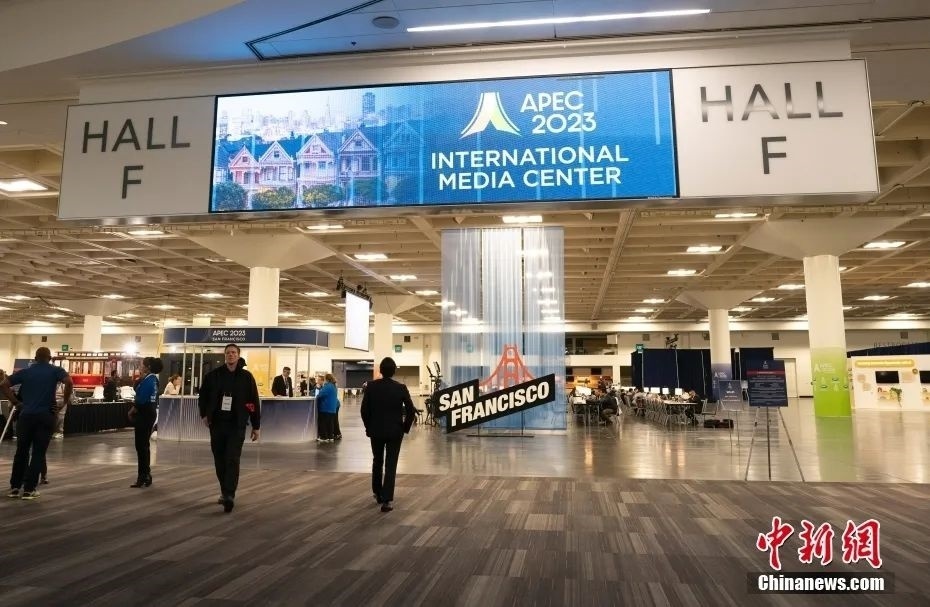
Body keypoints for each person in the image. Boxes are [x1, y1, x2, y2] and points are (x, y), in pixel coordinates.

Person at [0, 347, 73, 500]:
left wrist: (16, 402)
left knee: (21, 452)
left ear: (35, 358)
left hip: (25, 416)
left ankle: (15, 487)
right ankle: (29, 489)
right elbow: (69, 382)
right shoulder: (55, 371)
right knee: (38, 453)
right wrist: (64, 402)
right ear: (50, 358)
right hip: (45, 416)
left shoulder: (25, 372)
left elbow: (4, 384)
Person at [197, 344, 261, 513]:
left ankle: (229, 495)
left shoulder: (247, 377)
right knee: (219, 459)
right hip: (217, 424)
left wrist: (256, 425)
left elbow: (252, 401)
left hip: (236, 425)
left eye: (233, 352)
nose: (231, 355)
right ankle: (225, 491)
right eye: (228, 353)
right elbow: (203, 397)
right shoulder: (213, 376)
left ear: (238, 355)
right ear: (224, 356)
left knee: (232, 458)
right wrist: (204, 415)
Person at [360, 357, 415, 513]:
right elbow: (411, 411)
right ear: (394, 371)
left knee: (377, 461)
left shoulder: (371, 387)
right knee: (391, 465)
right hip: (395, 432)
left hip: (376, 431)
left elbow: (364, 410)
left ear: (381, 371)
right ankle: (387, 500)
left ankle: (377, 493)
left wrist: (368, 427)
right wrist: (404, 428)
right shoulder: (401, 388)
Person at [128, 356, 162, 488]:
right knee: (144, 446)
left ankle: (142, 476)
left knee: (141, 446)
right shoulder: (153, 379)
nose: (140, 366)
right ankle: (146, 474)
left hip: (144, 414)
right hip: (149, 413)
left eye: (142, 365)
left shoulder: (149, 380)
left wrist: (133, 409)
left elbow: (141, 399)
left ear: (148, 367)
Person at [316, 374, 339, 442]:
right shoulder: (333, 386)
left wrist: (318, 391)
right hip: (332, 408)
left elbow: (320, 395)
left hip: (325, 408)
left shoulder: (327, 386)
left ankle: (324, 437)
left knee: (323, 423)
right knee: (330, 423)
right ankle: (330, 437)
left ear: (326, 379)